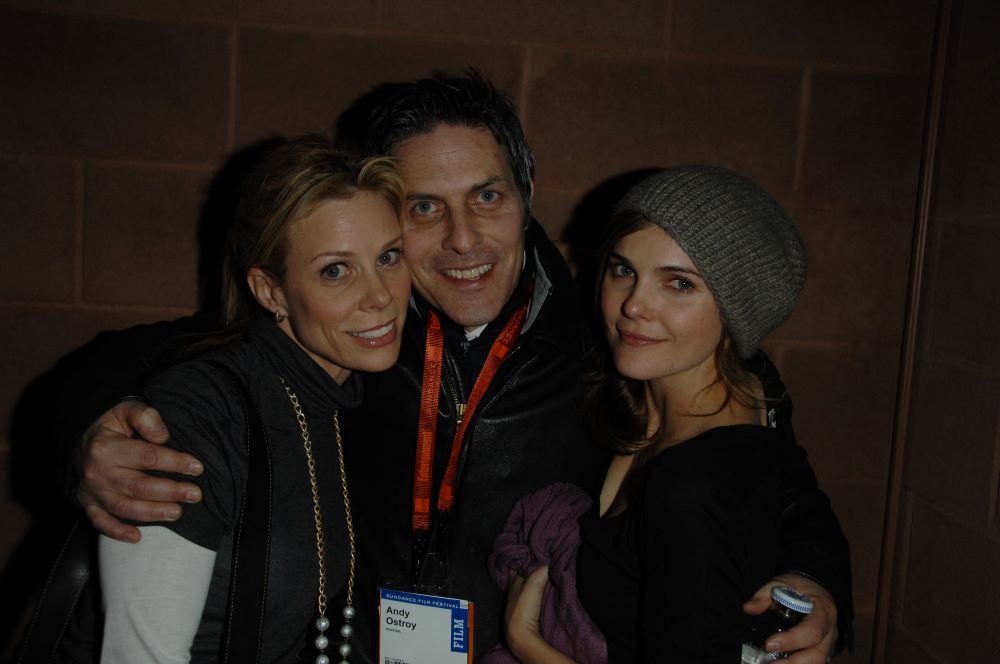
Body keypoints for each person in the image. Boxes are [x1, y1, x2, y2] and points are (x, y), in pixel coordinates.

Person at [54, 73, 851, 662]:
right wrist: (91, 428)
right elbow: (160, 354)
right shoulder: (356, 323)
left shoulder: (618, 335)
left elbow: (775, 480)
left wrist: (813, 580)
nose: (464, 240)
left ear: (527, 194)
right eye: (425, 208)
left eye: (488, 197)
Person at [501, 166, 839, 663]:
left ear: (736, 310)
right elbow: (800, 499)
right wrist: (812, 576)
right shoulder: (630, 389)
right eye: (622, 270)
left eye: (679, 283)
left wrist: (529, 646)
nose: (634, 304)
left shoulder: (695, 482)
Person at [98, 136, 409, 662]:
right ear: (269, 291)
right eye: (336, 270)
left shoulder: (343, 398)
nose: (380, 295)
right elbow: (138, 654)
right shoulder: (200, 409)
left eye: (389, 256)